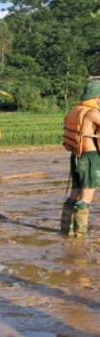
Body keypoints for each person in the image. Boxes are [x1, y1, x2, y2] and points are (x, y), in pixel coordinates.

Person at [60, 80, 100, 236]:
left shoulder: (75, 110)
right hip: (90, 156)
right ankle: (80, 234)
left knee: (74, 192)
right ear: (97, 97)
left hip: (76, 156)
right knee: (87, 195)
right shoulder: (93, 113)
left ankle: (65, 230)